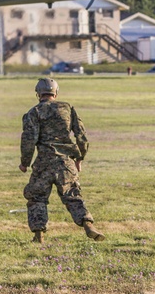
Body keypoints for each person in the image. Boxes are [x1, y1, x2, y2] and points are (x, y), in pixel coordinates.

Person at [19, 78, 104, 243]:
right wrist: (80, 157)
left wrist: (25, 162)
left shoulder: (33, 112)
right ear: (56, 93)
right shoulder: (67, 108)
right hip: (66, 163)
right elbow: (81, 135)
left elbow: (29, 139)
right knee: (73, 195)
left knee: (36, 198)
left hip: (43, 162)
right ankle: (88, 226)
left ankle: (38, 235)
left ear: (38, 94)